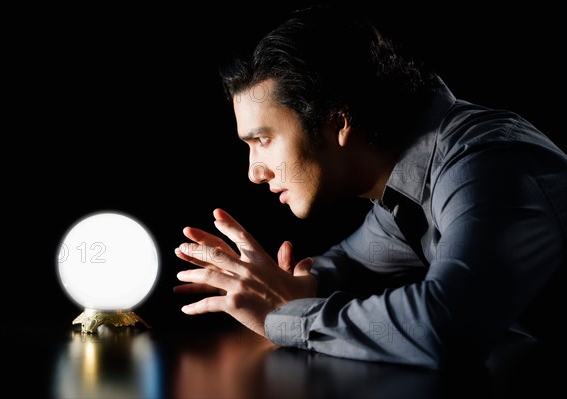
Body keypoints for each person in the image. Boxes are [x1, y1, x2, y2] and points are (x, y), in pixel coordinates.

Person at [173, 4, 566, 369]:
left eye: (262, 140)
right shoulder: (406, 187)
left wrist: (284, 315)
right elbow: (355, 261)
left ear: (339, 122)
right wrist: (299, 285)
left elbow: (447, 322)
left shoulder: (487, 161)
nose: (254, 172)